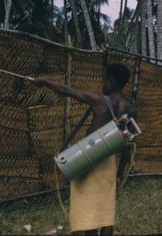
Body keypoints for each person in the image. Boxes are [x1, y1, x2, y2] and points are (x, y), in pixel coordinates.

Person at [30, 63, 135, 236]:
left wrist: (44, 82)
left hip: (87, 158)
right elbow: (128, 145)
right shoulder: (130, 108)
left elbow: (68, 91)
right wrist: (120, 174)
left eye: (105, 80)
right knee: (106, 209)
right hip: (108, 163)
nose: (103, 83)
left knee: (87, 207)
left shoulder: (100, 101)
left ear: (111, 81)